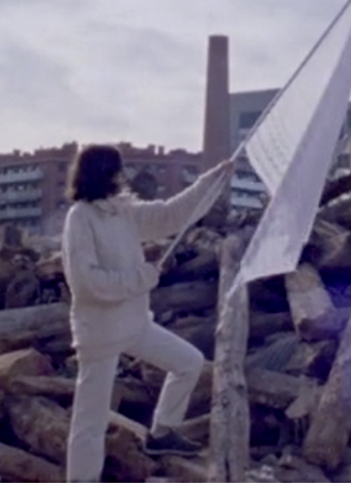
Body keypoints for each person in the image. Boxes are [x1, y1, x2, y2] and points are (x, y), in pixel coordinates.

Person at [61, 144, 235, 482]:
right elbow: (87, 283)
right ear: (103, 173)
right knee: (90, 420)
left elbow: (171, 215)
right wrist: (142, 278)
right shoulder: (80, 218)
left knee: (189, 362)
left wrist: (213, 180)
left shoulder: (124, 211)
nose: (122, 174)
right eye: (117, 168)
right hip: (100, 333)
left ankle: (162, 432)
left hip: (134, 324)